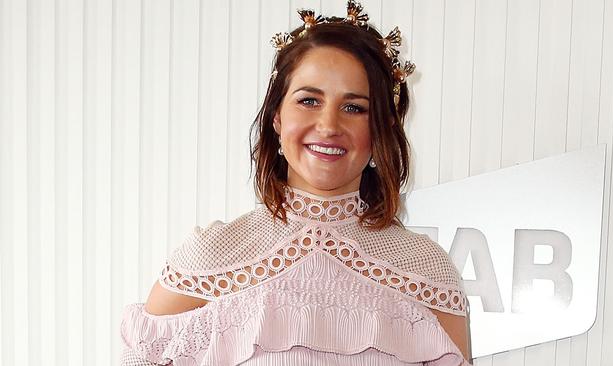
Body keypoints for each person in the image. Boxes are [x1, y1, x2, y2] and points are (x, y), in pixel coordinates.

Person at [120, 1, 471, 365]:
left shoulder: (426, 270)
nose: (329, 125)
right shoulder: (211, 256)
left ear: (382, 128)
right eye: (309, 100)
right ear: (276, 118)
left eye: (354, 107)